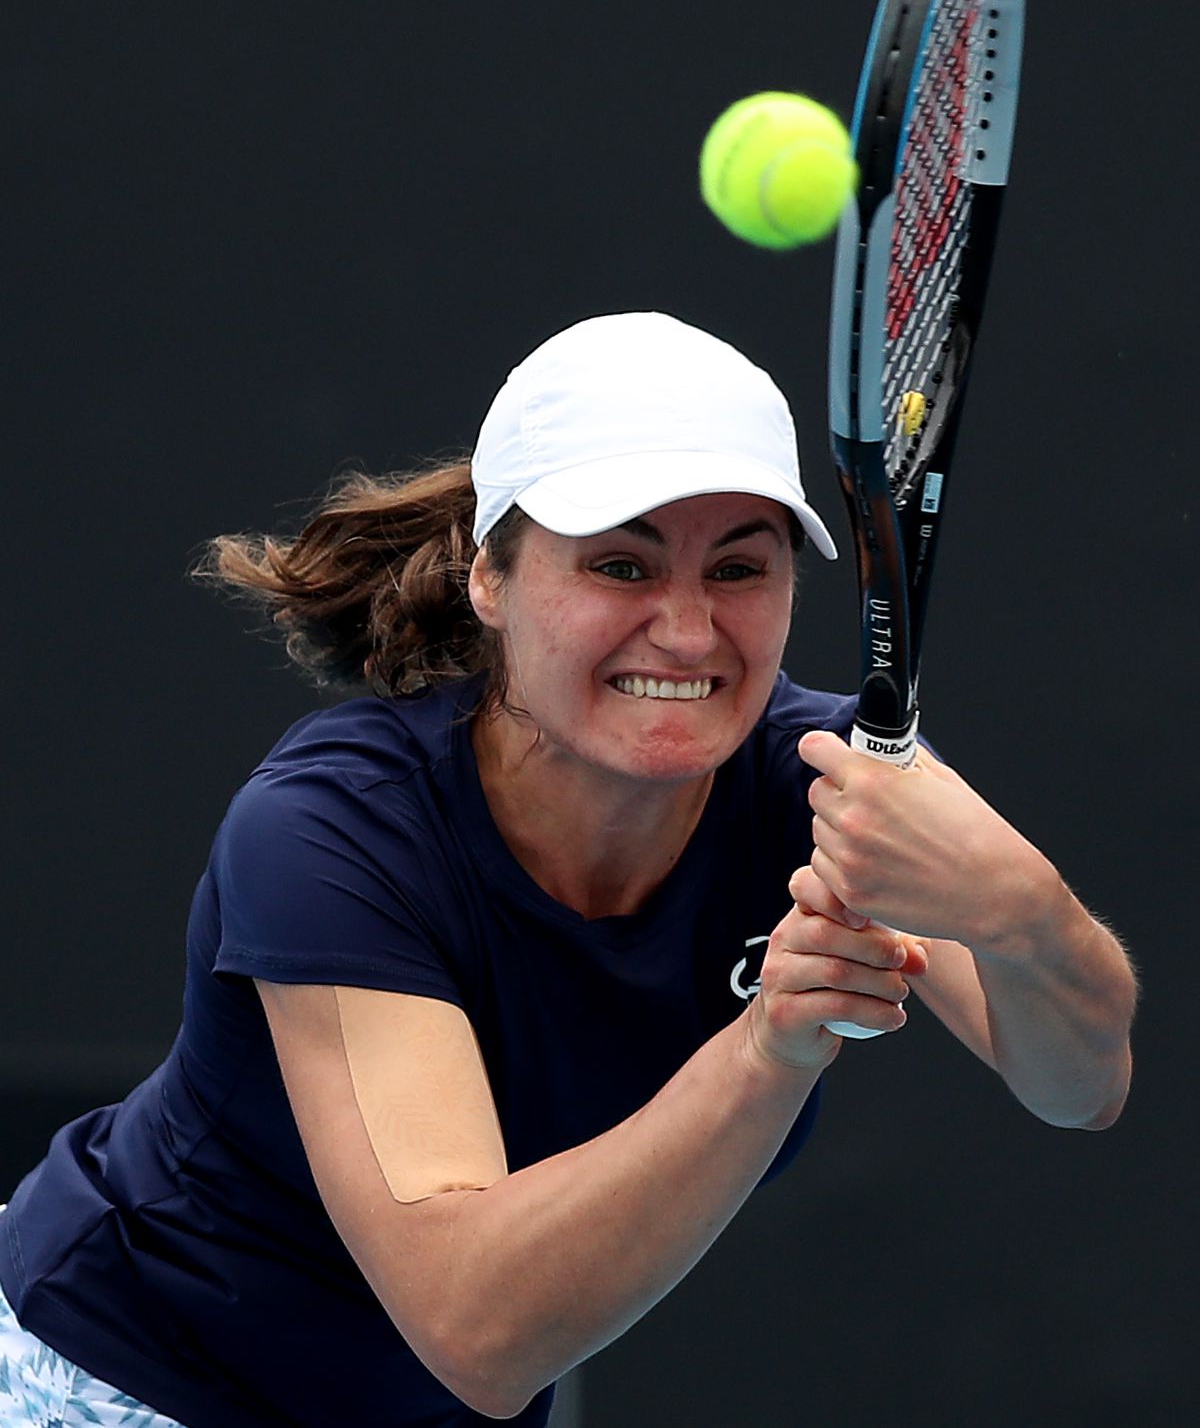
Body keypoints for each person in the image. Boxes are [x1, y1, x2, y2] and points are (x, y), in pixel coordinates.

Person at [0, 311, 1135, 1428]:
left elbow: (1078, 1084)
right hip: (118, 1377)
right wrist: (769, 1048)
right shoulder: (330, 830)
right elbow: (478, 1331)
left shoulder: (832, 775)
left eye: (739, 566)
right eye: (621, 564)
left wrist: (1029, 914)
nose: (688, 632)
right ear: (491, 577)